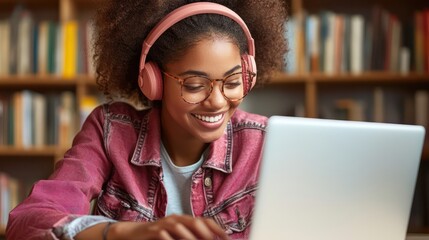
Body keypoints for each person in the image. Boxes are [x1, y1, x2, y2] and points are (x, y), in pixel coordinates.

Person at [6, 0, 287, 239]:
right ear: (153, 82)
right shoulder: (110, 132)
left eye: (233, 81)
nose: (217, 101)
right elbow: (28, 221)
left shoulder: (266, 142)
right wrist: (121, 233)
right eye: (194, 85)